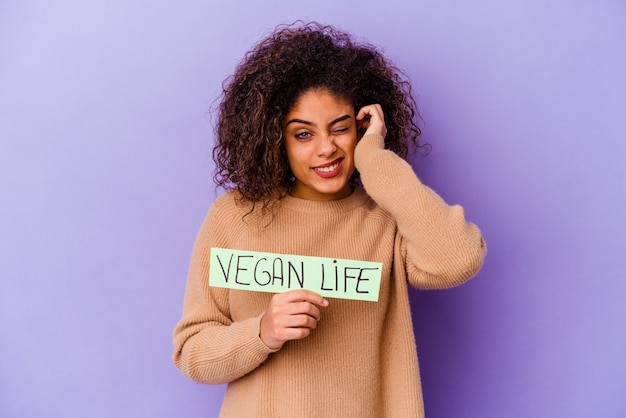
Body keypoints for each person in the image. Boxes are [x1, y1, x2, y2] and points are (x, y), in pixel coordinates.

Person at [172, 21, 487, 417]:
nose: (326, 149)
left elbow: (458, 259)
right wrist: (262, 332)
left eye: (341, 129)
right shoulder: (235, 217)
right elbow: (192, 353)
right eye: (303, 134)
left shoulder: (388, 219)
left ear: (361, 128)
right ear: (274, 138)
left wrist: (375, 160)